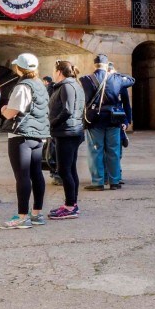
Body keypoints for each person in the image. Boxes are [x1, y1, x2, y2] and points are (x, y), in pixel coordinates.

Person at [0, 54, 51, 229]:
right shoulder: (41, 85)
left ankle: (22, 217)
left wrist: (4, 109)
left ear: (18, 68)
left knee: (22, 177)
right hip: (38, 134)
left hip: (21, 135)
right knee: (36, 174)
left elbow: (12, 112)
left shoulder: (22, 86)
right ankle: (36, 214)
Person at [81, 55, 135, 190]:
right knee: (114, 151)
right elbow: (131, 80)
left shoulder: (85, 79)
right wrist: (115, 74)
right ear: (106, 65)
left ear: (95, 65)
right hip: (114, 119)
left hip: (95, 120)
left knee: (95, 151)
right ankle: (114, 181)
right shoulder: (116, 78)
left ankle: (98, 182)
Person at [47, 60, 86, 219]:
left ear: (59, 72)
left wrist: (51, 123)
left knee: (64, 170)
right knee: (70, 169)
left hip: (67, 133)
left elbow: (68, 110)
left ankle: (70, 206)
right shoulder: (74, 84)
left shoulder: (67, 86)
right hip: (71, 131)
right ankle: (72, 203)